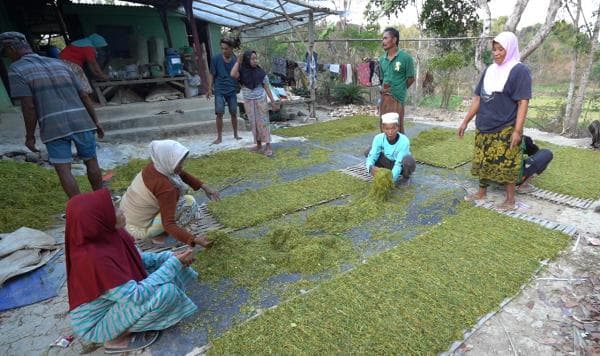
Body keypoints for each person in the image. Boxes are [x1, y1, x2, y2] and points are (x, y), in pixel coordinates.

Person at [66, 188, 198, 353]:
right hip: (96, 323)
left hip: (117, 302)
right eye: (114, 209)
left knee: (167, 268)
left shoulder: (112, 235)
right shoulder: (92, 260)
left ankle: (161, 305)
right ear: (98, 218)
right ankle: (115, 339)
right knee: (167, 291)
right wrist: (173, 264)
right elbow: (135, 296)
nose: (122, 211)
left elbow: (139, 259)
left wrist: (169, 256)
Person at [1, 31, 104, 198]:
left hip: (53, 126)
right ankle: (102, 200)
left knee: (64, 169)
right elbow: (84, 95)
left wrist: (30, 136)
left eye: (5, 53)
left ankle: (80, 208)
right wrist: (96, 121)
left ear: (11, 48)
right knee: (91, 161)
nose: (6, 57)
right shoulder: (60, 63)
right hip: (81, 121)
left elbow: (29, 107)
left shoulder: (16, 69)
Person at [457, 31, 532, 211]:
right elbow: (477, 99)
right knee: (483, 160)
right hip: (484, 124)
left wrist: (517, 130)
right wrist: (465, 121)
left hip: (505, 126)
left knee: (507, 161)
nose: (496, 53)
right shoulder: (489, 70)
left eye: (501, 50)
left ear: (511, 49)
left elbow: (523, 102)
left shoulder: (519, 70)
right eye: (494, 50)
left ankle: (510, 199)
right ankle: (482, 192)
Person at [119, 140, 220, 247]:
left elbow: (180, 173)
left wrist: (204, 187)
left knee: (175, 202)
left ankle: (156, 231)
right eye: (179, 162)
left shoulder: (156, 166)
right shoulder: (166, 188)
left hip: (126, 219)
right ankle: (159, 237)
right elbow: (168, 224)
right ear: (168, 160)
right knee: (189, 203)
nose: (182, 165)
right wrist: (193, 239)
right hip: (138, 229)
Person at [230, 50, 278, 157]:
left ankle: (268, 145)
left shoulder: (260, 73)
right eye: (252, 59)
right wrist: (238, 61)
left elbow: (267, 88)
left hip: (260, 100)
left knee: (263, 123)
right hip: (248, 101)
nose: (255, 61)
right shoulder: (242, 72)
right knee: (254, 123)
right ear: (247, 60)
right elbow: (233, 74)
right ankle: (259, 144)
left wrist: (273, 102)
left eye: (256, 58)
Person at [379, 27, 415, 133]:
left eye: (385, 38)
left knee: (397, 127)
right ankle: (384, 148)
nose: (383, 41)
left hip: (397, 99)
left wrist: (400, 89)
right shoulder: (382, 59)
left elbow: (411, 78)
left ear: (394, 40)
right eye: (383, 39)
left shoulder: (406, 58)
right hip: (384, 98)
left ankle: (400, 149)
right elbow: (382, 79)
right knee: (384, 126)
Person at [366, 112, 416, 187]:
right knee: (368, 151)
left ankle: (405, 178)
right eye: (387, 129)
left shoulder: (404, 141)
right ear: (383, 128)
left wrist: (390, 180)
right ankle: (382, 172)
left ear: (398, 127)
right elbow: (372, 156)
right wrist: (370, 167)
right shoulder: (378, 138)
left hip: (401, 166)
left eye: (393, 128)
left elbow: (398, 164)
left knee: (408, 160)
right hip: (387, 162)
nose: (390, 132)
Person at [207, 39, 241, 144]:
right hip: (219, 89)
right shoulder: (215, 59)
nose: (224, 51)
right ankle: (219, 137)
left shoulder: (236, 60)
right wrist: (209, 88)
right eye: (222, 48)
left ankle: (236, 134)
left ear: (231, 49)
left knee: (234, 112)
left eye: (226, 49)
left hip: (232, 89)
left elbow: (239, 75)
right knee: (219, 113)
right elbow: (212, 74)